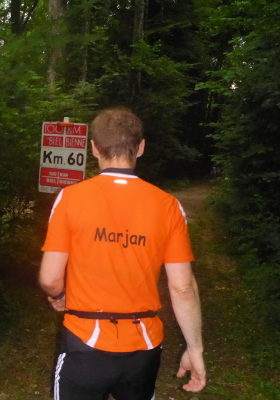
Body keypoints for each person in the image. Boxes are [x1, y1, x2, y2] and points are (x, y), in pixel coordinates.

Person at [39, 106, 206, 400]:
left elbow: (50, 278)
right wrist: (195, 349)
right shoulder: (168, 206)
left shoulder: (71, 198)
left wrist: (60, 294)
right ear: (140, 148)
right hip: (144, 347)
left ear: (94, 148)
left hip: (85, 342)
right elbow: (182, 288)